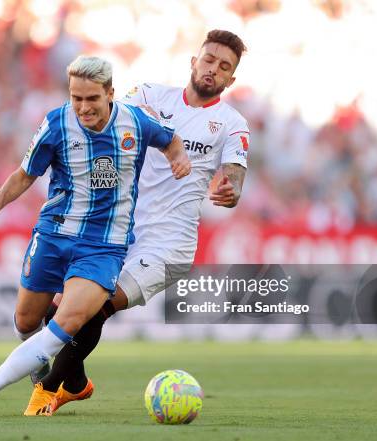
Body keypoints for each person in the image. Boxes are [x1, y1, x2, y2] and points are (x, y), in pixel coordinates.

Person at [25, 29, 249, 415]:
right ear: (193, 62)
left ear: (231, 79)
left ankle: (46, 391)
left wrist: (230, 189)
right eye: (209, 59)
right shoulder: (147, 95)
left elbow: (235, 173)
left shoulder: (231, 123)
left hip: (169, 243)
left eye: (224, 66)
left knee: (97, 307)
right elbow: (113, 123)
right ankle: (76, 384)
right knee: (57, 311)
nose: (214, 69)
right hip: (119, 231)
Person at [0, 55, 191, 419]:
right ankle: (73, 383)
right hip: (53, 234)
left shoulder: (136, 123)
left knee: (67, 322)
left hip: (103, 246)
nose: (83, 107)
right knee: (25, 323)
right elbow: (25, 173)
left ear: (110, 93)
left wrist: (179, 159)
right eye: (76, 98)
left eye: (91, 99)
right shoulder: (56, 124)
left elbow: (171, 140)